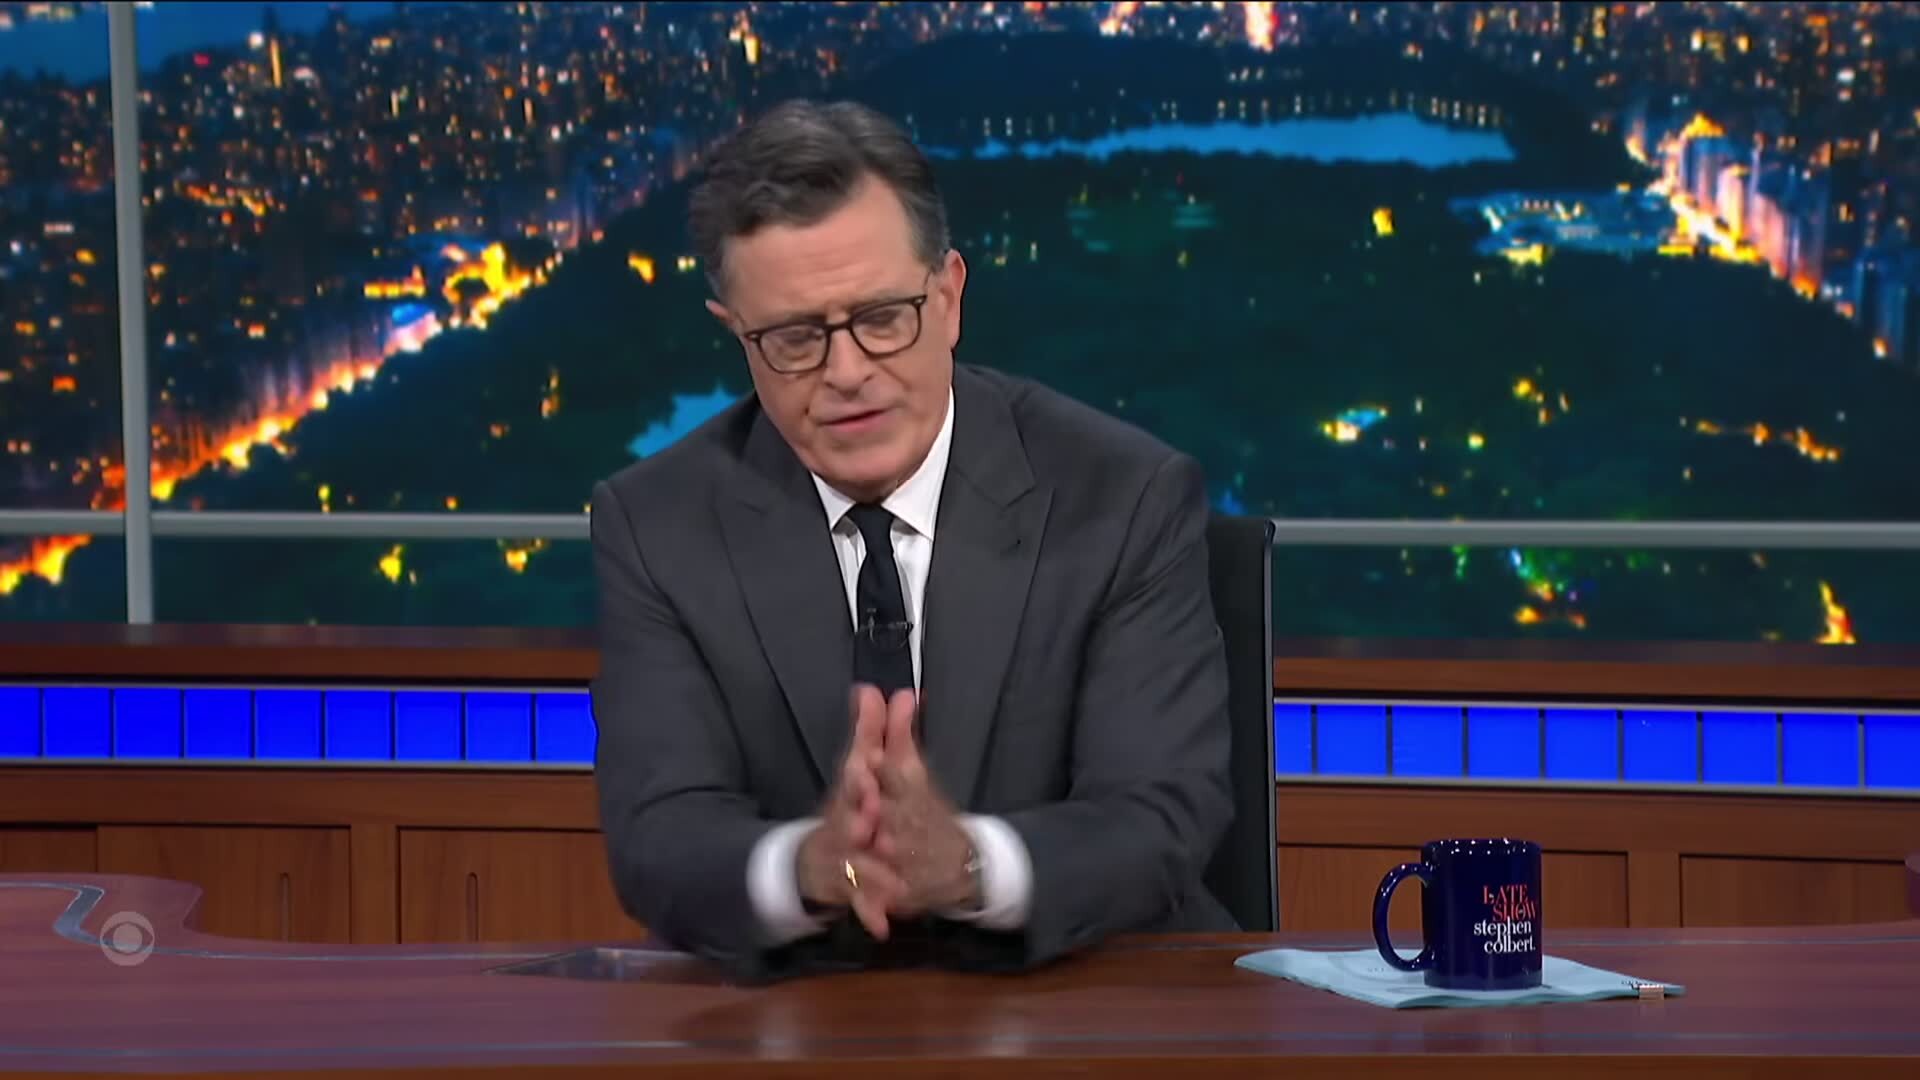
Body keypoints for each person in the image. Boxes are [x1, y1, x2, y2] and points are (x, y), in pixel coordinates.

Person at [589, 98, 1233, 982]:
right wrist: (812, 865)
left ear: (949, 297)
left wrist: (966, 865)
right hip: (799, 1015)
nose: (848, 372)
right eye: (795, 337)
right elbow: (660, 836)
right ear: (738, 336)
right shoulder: (658, 525)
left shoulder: (1122, 498)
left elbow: (1161, 817)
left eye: (882, 317)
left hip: (1086, 1003)